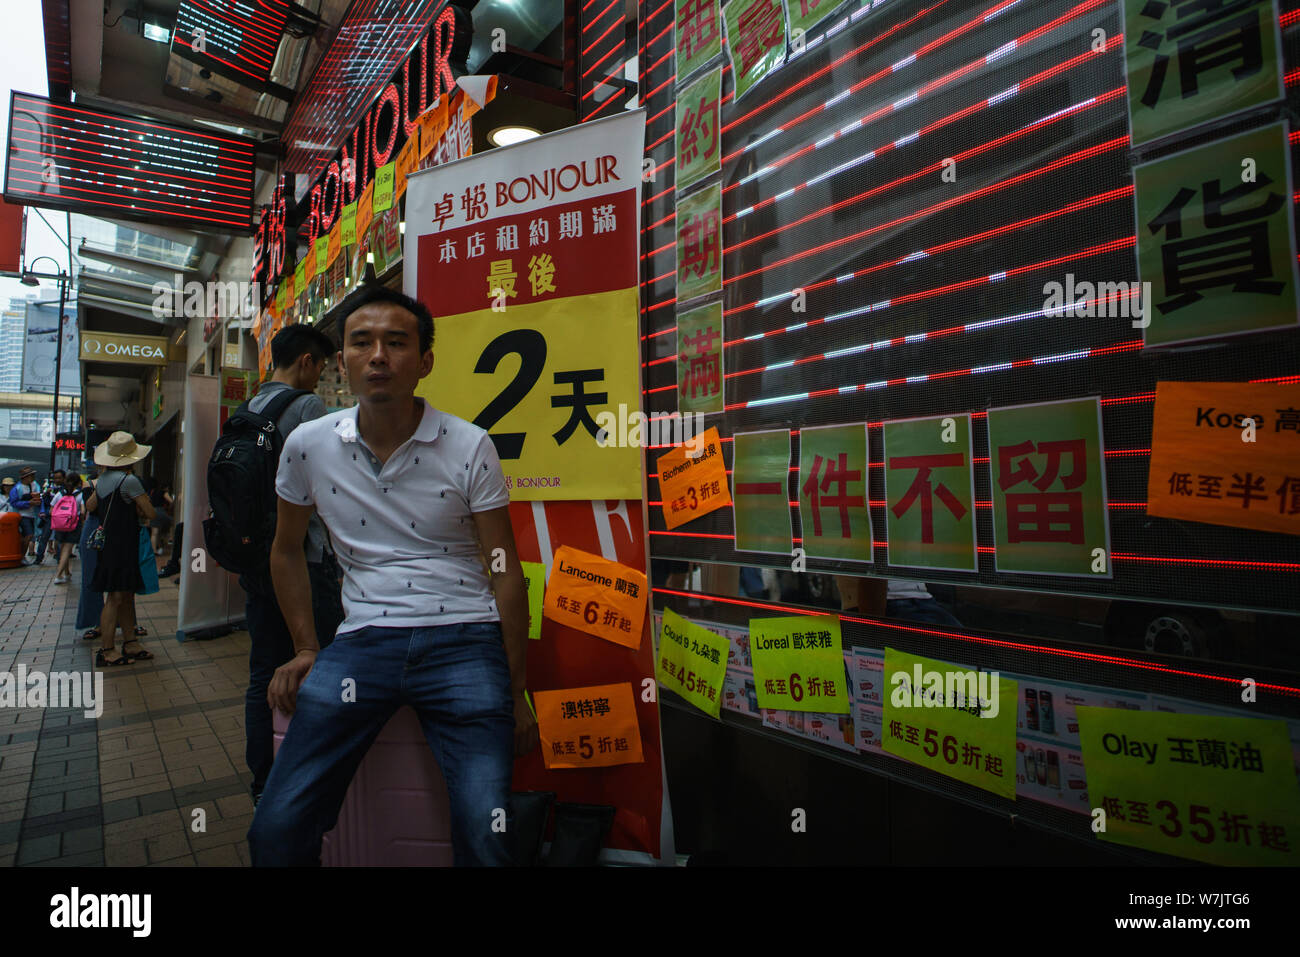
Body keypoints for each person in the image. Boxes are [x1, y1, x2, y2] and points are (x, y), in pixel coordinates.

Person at [247, 284, 538, 867]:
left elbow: (504, 568)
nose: (378, 354)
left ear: (424, 361)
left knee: (489, 835)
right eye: (362, 342)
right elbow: (284, 551)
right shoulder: (308, 445)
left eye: (396, 342)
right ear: (342, 362)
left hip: (465, 637)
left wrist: (513, 687)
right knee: (274, 828)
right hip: (361, 645)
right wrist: (307, 646)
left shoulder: (470, 445)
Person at [240, 322, 346, 806]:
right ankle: (309, 781)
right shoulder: (305, 408)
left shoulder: (249, 408)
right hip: (305, 561)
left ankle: (263, 780)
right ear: (306, 361)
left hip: (260, 560)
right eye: (321, 365)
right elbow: (332, 487)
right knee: (315, 662)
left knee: (264, 669)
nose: (321, 374)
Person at [84, 433, 156, 666]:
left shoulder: (102, 480)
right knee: (116, 597)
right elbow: (150, 513)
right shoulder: (129, 481)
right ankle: (107, 650)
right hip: (124, 545)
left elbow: (90, 506)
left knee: (123, 594)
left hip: (108, 545)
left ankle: (131, 642)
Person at [50, 473, 83, 584]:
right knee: (67, 549)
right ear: (78, 483)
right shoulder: (80, 495)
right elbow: (83, 512)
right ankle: (58, 575)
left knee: (63, 548)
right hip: (73, 524)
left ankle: (67, 573)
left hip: (60, 524)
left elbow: (51, 510)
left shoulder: (60, 494)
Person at [34, 468, 66, 565]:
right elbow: (44, 502)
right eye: (55, 478)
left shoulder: (66, 489)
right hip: (50, 516)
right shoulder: (49, 488)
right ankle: (39, 558)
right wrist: (46, 494)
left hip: (61, 517)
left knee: (59, 538)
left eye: (59, 478)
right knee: (44, 537)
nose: (57, 480)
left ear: (64, 478)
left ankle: (59, 557)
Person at [9, 466, 40, 563]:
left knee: (26, 536)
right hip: (22, 515)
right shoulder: (17, 488)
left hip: (32, 515)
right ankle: (21, 556)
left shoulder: (34, 485)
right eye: (30, 476)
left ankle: (21, 556)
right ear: (25, 477)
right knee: (29, 535)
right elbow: (13, 503)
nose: (32, 477)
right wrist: (28, 503)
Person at [149, 483, 173, 558]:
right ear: (166, 488)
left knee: (154, 533)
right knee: (172, 522)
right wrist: (170, 507)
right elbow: (171, 501)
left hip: (153, 511)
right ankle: (170, 538)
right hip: (160, 511)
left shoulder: (153, 492)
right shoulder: (164, 492)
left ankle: (154, 550)